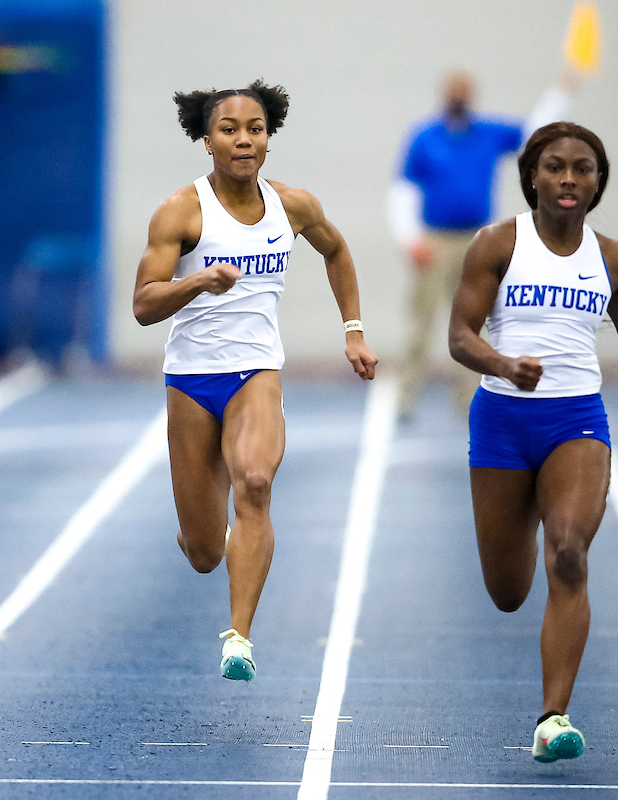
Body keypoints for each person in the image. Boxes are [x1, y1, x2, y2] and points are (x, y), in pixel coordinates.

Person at [448, 122, 618, 761]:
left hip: (576, 421)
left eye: (583, 169)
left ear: (598, 182)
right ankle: (522, 603)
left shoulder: (616, 257)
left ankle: (553, 719)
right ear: (533, 177)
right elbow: (460, 335)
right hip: (501, 422)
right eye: (555, 168)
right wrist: (501, 364)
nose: (569, 179)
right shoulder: (497, 243)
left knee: (569, 551)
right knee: (508, 590)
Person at [132, 80, 377, 681]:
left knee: (258, 483)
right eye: (229, 130)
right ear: (207, 140)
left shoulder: (293, 206)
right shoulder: (181, 211)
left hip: (255, 371)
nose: (244, 139)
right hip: (191, 379)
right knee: (203, 552)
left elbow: (337, 251)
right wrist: (196, 282)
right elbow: (142, 304)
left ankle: (238, 636)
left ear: (269, 137)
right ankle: (209, 544)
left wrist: (353, 330)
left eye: (255, 129)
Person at [389, 69, 578, 417]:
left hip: (477, 239)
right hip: (435, 241)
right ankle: (405, 398)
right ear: (445, 96)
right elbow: (404, 188)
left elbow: (536, 131)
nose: (458, 97)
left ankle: (471, 400)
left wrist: (562, 90)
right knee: (421, 323)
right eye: (454, 91)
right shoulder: (425, 137)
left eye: (464, 92)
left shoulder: (488, 134)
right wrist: (409, 239)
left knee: (474, 324)